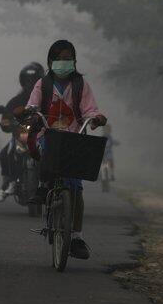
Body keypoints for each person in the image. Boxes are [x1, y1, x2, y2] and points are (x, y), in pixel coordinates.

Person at [26, 40, 107, 259]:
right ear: (51, 61)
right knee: (48, 151)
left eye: (67, 58)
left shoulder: (81, 85)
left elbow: (91, 109)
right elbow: (32, 106)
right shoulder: (42, 84)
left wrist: (96, 118)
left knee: (77, 190)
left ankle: (78, 237)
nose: (63, 62)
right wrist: (32, 115)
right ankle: (43, 187)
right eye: (59, 58)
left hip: (74, 137)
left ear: (74, 60)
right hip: (48, 135)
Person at [0, 62, 45, 203]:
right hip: (20, 137)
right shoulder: (15, 101)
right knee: (4, 154)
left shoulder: (47, 100)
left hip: (41, 137)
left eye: (34, 80)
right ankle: (7, 182)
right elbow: (6, 119)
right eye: (28, 80)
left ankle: (52, 184)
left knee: (51, 155)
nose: (31, 83)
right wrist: (5, 122)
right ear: (23, 81)